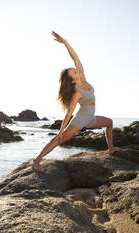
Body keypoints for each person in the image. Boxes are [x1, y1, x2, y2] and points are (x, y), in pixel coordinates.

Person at [30, 31, 121, 172]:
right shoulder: (77, 93)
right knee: (59, 140)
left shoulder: (83, 78)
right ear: (72, 79)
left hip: (91, 118)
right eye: (73, 72)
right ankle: (36, 161)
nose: (76, 70)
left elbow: (75, 58)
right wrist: (61, 130)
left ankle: (111, 149)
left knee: (109, 122)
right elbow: (69, 113)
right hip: (81, 119)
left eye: (75, 70)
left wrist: (65, 42)